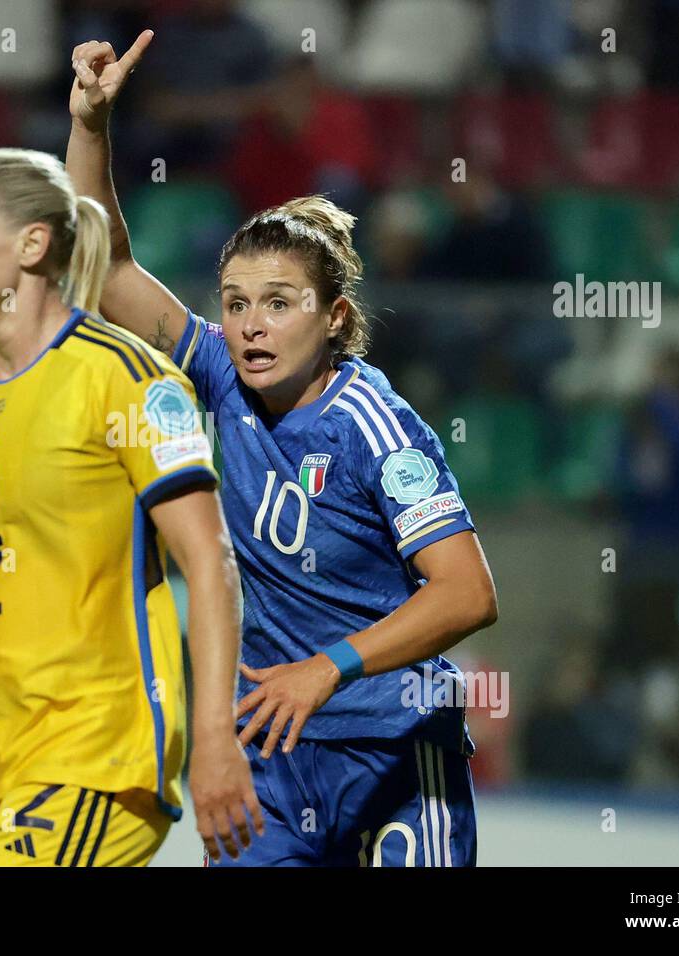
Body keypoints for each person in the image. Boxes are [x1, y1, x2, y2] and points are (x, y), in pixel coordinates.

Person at [66, 33, 499, 866]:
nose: (251, 324)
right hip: (267, 748)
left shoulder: (376, 425)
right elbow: (107, 261)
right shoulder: (219, 376)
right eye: (234, 303)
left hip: (392, 749)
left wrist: (328, 669)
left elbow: (468, 593)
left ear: (335, 317)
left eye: (277, 302)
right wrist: (90, 125)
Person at [0, 147, 261, 866]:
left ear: (32, 244)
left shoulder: (125, 378)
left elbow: (208, 559)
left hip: (97, 758)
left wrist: (214, 737)